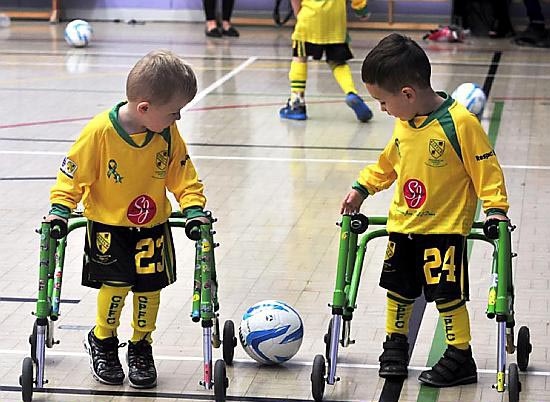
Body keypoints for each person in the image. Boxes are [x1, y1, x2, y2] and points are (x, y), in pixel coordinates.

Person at [341, 33, 509, 387]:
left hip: (444, 228)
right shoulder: (404, 124)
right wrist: (361, 188)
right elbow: (387, 165)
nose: (383, 110)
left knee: (447, 295)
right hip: (403, 225)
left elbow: (486, 169)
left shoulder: (460, 123)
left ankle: (460, 355)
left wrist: (495, 209)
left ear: (407, 94)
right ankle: (395, 345)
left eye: (383, 102)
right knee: (398, 290)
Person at [46, 50, 208, 389]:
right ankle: (104, 341)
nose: (177, 118)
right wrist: (62, 206)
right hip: (109, 225)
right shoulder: (100, 132)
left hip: (153, 226)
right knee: (116, 286)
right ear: (145, 108)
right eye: (173, 112)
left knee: (150, 288)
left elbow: (182, 173)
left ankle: (140, 345)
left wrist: (192, 206)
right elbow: (72, 175)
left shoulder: (165, 134)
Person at [279, 0, 373, 122]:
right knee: (338, 61)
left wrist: (299, 15)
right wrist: (361, 9)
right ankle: (351, 93)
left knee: (300, 57)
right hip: (335, 19)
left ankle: (297, 103)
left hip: (310, 16)